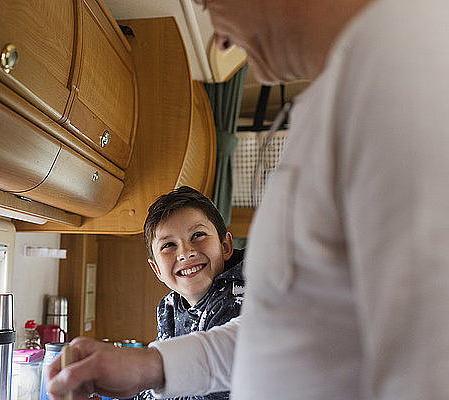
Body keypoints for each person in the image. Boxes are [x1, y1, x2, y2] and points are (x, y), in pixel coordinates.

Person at [48, 0, 449, 398]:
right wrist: (150, 366)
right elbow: (289, 327)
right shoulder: (345, 92)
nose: (221, 40)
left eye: (211, 5)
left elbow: (427, 354)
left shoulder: (402, 84)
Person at [139, 186, 245, 400]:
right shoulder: (168, 307)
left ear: (225, 246)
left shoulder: (236, 299)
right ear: (157, 269)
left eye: (198, 235)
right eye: (169, 245)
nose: (186, 253)